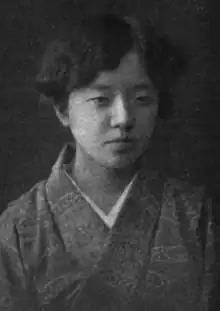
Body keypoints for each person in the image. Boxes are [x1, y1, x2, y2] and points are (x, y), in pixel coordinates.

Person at [0, 13, 216, 311]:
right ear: (63, 109)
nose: (124, 119)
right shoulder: (18, 229)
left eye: (142, 99)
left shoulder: (196, 217)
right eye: (101, 100)